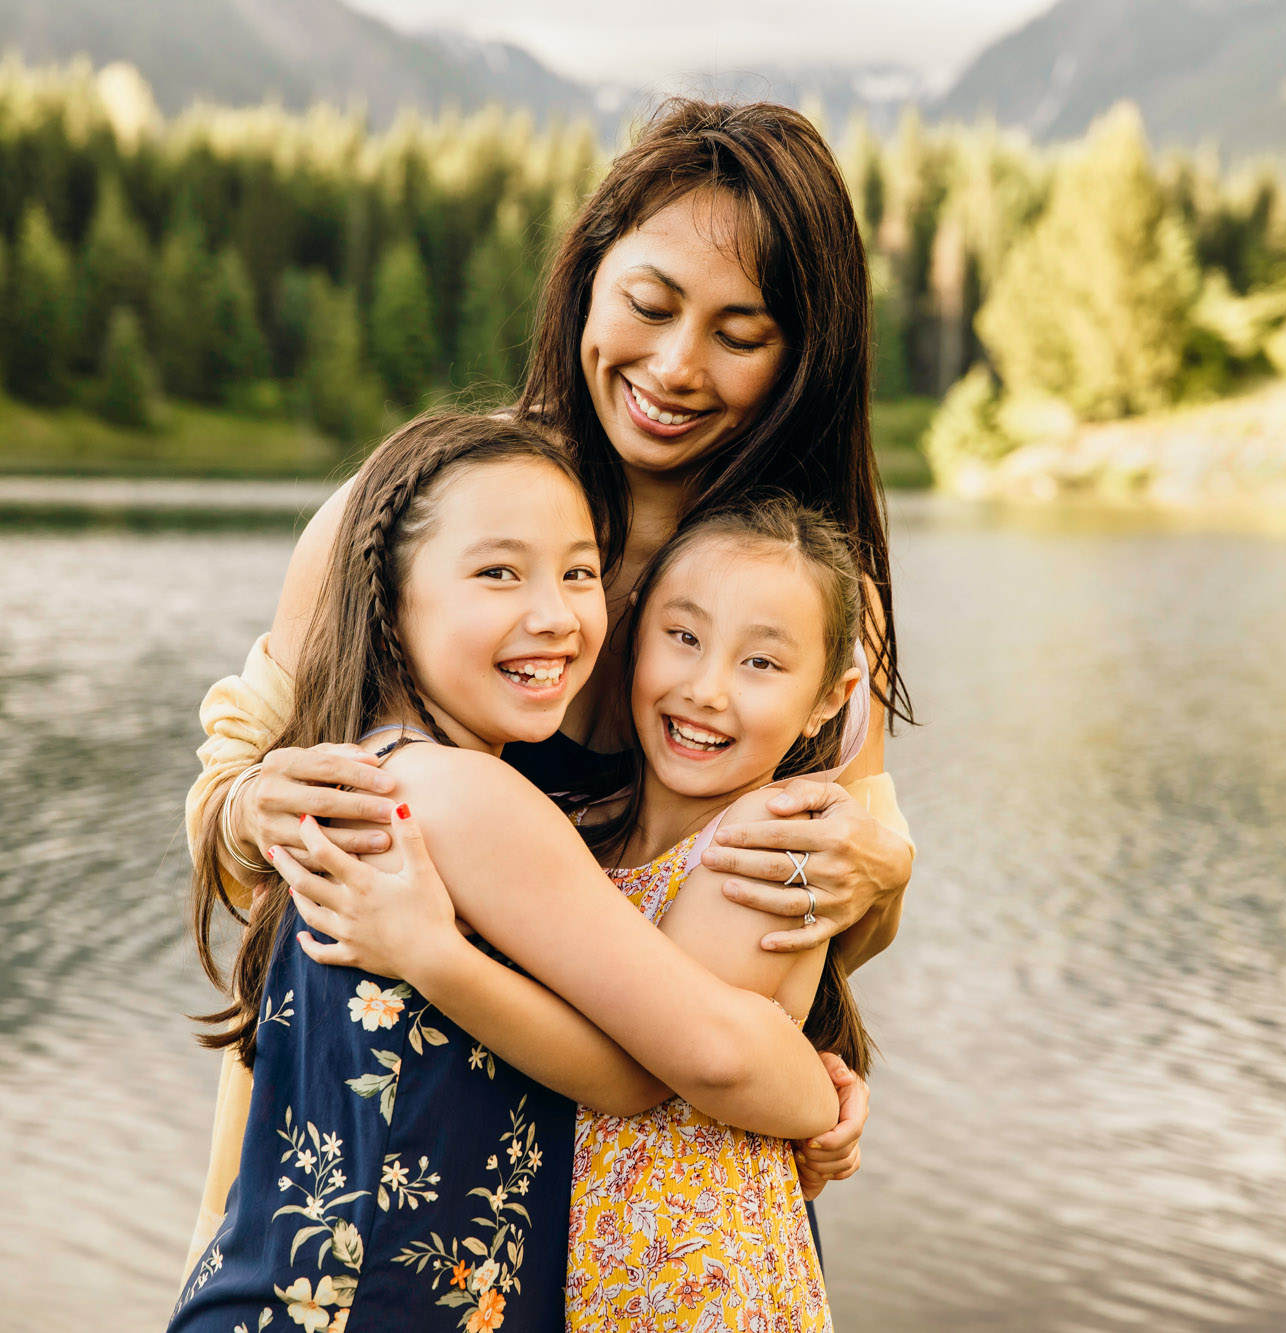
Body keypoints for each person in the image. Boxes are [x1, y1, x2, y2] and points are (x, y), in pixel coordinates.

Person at [181, 98, 916, 1262]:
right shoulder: (408, 516)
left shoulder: (808, 607)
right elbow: (231, 813)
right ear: (586, 274)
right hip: (368, 1189)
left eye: (740, 332)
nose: (674, 366)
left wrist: (867, 910)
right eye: (649, 302)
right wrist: (247, 804)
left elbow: (812, 942)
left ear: (800, 356)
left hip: (654, 1224)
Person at [170, 415, 847, 1333]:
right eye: (499, 572)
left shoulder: (361, 768)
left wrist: (804, 1088)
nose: (556, 614)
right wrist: (806, 1092)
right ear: (391, 592)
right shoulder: (467, 798)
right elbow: (648, 1067)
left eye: (578, 573)